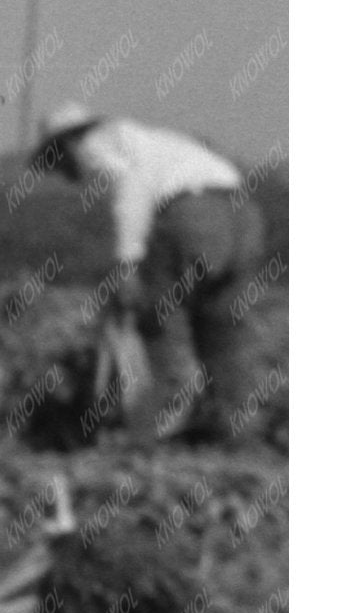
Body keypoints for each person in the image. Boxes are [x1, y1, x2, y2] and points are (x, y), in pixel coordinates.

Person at [32, 100, 266, 442]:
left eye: (59, 162)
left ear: (65, 145)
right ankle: (238, 430)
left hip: (191, 215)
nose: (65, 174)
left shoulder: (99, 145)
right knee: (224, 329)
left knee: (159, 320)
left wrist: (127, 265)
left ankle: (151, 432)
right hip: (243, 218)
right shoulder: (152, 141)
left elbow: (132, 192)